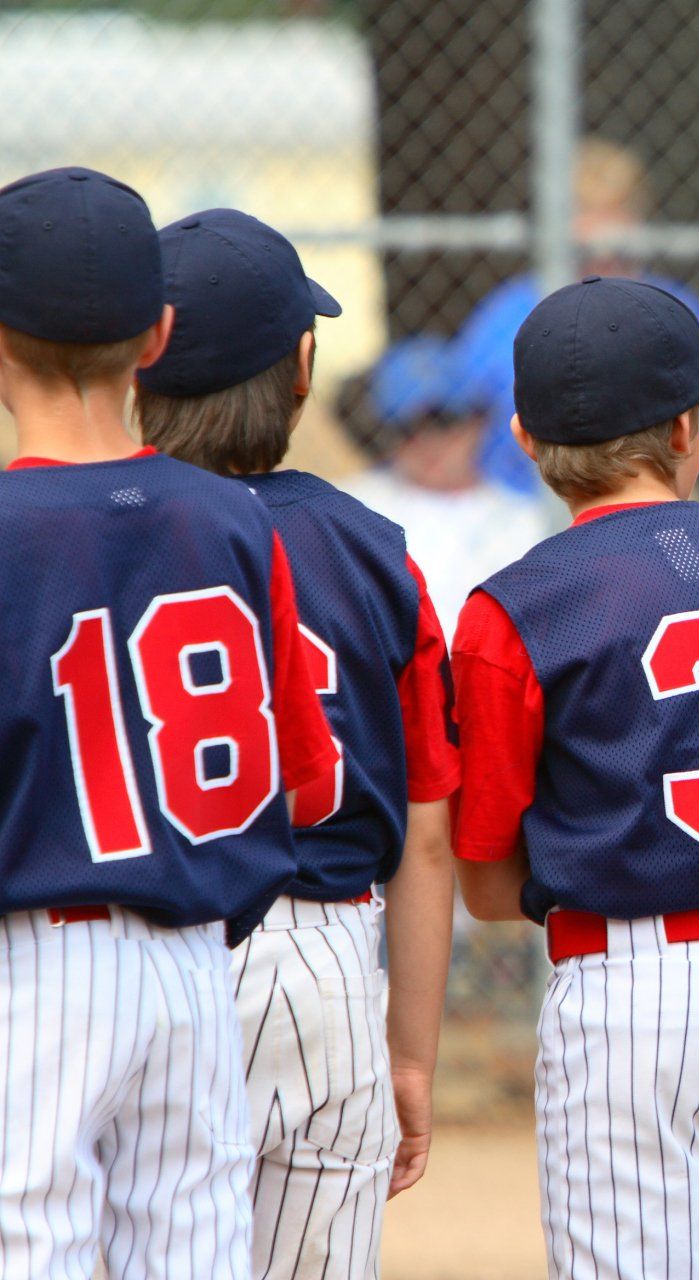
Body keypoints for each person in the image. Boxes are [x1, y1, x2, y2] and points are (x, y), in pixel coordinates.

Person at [450, 277, 699, 1278]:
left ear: (527, 441)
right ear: (689, 428)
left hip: (630, 990)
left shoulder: (514, 608)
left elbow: (489, 880)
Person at [0, 167, 337, 1280]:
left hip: (39, 962)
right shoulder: (236, 520)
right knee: (193, 1242)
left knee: (32, 1235)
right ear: (159, 333)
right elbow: (309, 780)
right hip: (196, 962)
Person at [134, 209, 462, 1279]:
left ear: (141, 363)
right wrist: (408, 1047)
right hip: (320, 957)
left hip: (140, 942)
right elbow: (424, 828)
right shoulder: (373, 551)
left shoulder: (95, 525)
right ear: (304, 369)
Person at [455, 138, 699, 493]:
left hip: (645, 499)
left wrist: (639, 426)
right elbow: (454, 430)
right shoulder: (509, 312)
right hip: (522, 509)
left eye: (616, 210)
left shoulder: (671, 308)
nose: (602, 237)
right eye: (585, 209)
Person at [341, 336, 556, 611]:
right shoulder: (349, 507)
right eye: (407, 428)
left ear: (478, 420)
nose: (426, 441)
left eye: (442, 421)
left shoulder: (524, 521)